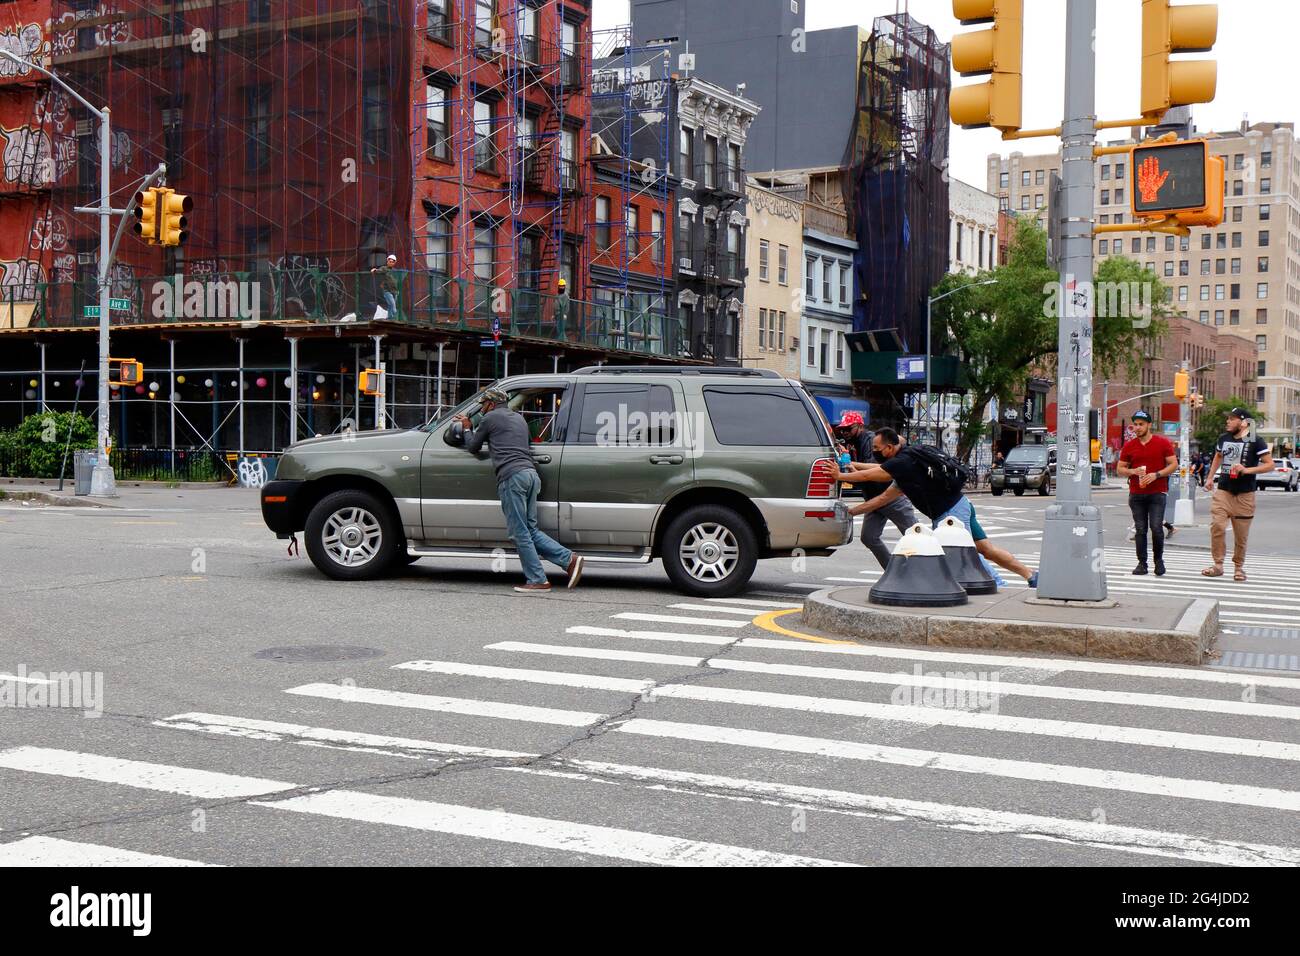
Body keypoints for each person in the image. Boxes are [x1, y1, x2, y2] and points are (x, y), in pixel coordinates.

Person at [833, 428, 1038, 588]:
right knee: (986, 549)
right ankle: (1030, 575)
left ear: (890, 447)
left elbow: (871, 475)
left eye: (877, 449)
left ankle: (996, 584)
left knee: (966, 552)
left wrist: (840, 476)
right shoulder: (909, 461)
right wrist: (852, 511)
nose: (875, 452)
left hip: (949, 514)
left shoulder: (901, 463)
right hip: (961, 504)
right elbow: (882, 497)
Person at [456, 388, 584, 593]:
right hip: (531, 475)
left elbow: (473, 447)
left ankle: (538, 580)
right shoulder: (519, 419)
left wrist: (466, 428)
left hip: (512, 477)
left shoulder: (490, 418)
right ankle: (569, 560)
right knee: (530, 529)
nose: (482, 408)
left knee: (519, 532)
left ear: (490, 404)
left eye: (483, 405)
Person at [833, 411, 918, 570]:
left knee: (916, 535)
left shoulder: (872, 441)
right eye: (842, 429)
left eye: (848, 428)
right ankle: (892, 571)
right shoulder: (852, 444)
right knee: (868, 537)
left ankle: (931, 568)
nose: (844, 432)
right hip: (873, 499)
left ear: (859, 426)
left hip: (891, 498)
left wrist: (845, 471)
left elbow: (871, 473)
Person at [1202, 407, 1274, 581]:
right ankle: (1218, 565)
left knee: (1241, 535)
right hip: (1224, 491)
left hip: (1245, 494)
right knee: (1217, 526)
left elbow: (1269, 465)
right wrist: (1210, 478)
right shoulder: (1223, 438)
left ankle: (1238, 567)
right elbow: (1218, 456)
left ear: (1243, 423)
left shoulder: (1255, 440)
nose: (1227, 421)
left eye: (1232, 419)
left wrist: (1247, 470)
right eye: (1228, 418)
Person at [1116, 410, 1178, 576]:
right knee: (1141, 529)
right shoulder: (1129, 446)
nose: (1137, 428)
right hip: (1136, 493)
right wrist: (1133, 471)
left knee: (1156, 527)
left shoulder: (1162, 443)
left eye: (1141, 424)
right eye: (1135, 424)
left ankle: (1159, 561)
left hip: (1157, 492)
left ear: (1149, 425)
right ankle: (1142, 563)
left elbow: (1173, 464)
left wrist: (1156, 474)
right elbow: (1120, 468)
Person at [370, 254, 400, 319]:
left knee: (390, 305)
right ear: (387, 261)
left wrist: (398, 290)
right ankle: (394, 316)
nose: (391, 263)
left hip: (395, 291)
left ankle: (389, 318)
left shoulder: (395, 271)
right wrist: (374, 270)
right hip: (387, 291)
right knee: (393, 306)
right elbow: (379, 271)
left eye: (392, 262)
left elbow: (398, 280)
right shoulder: (384, 268)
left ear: (394, 263)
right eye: (390, 261)